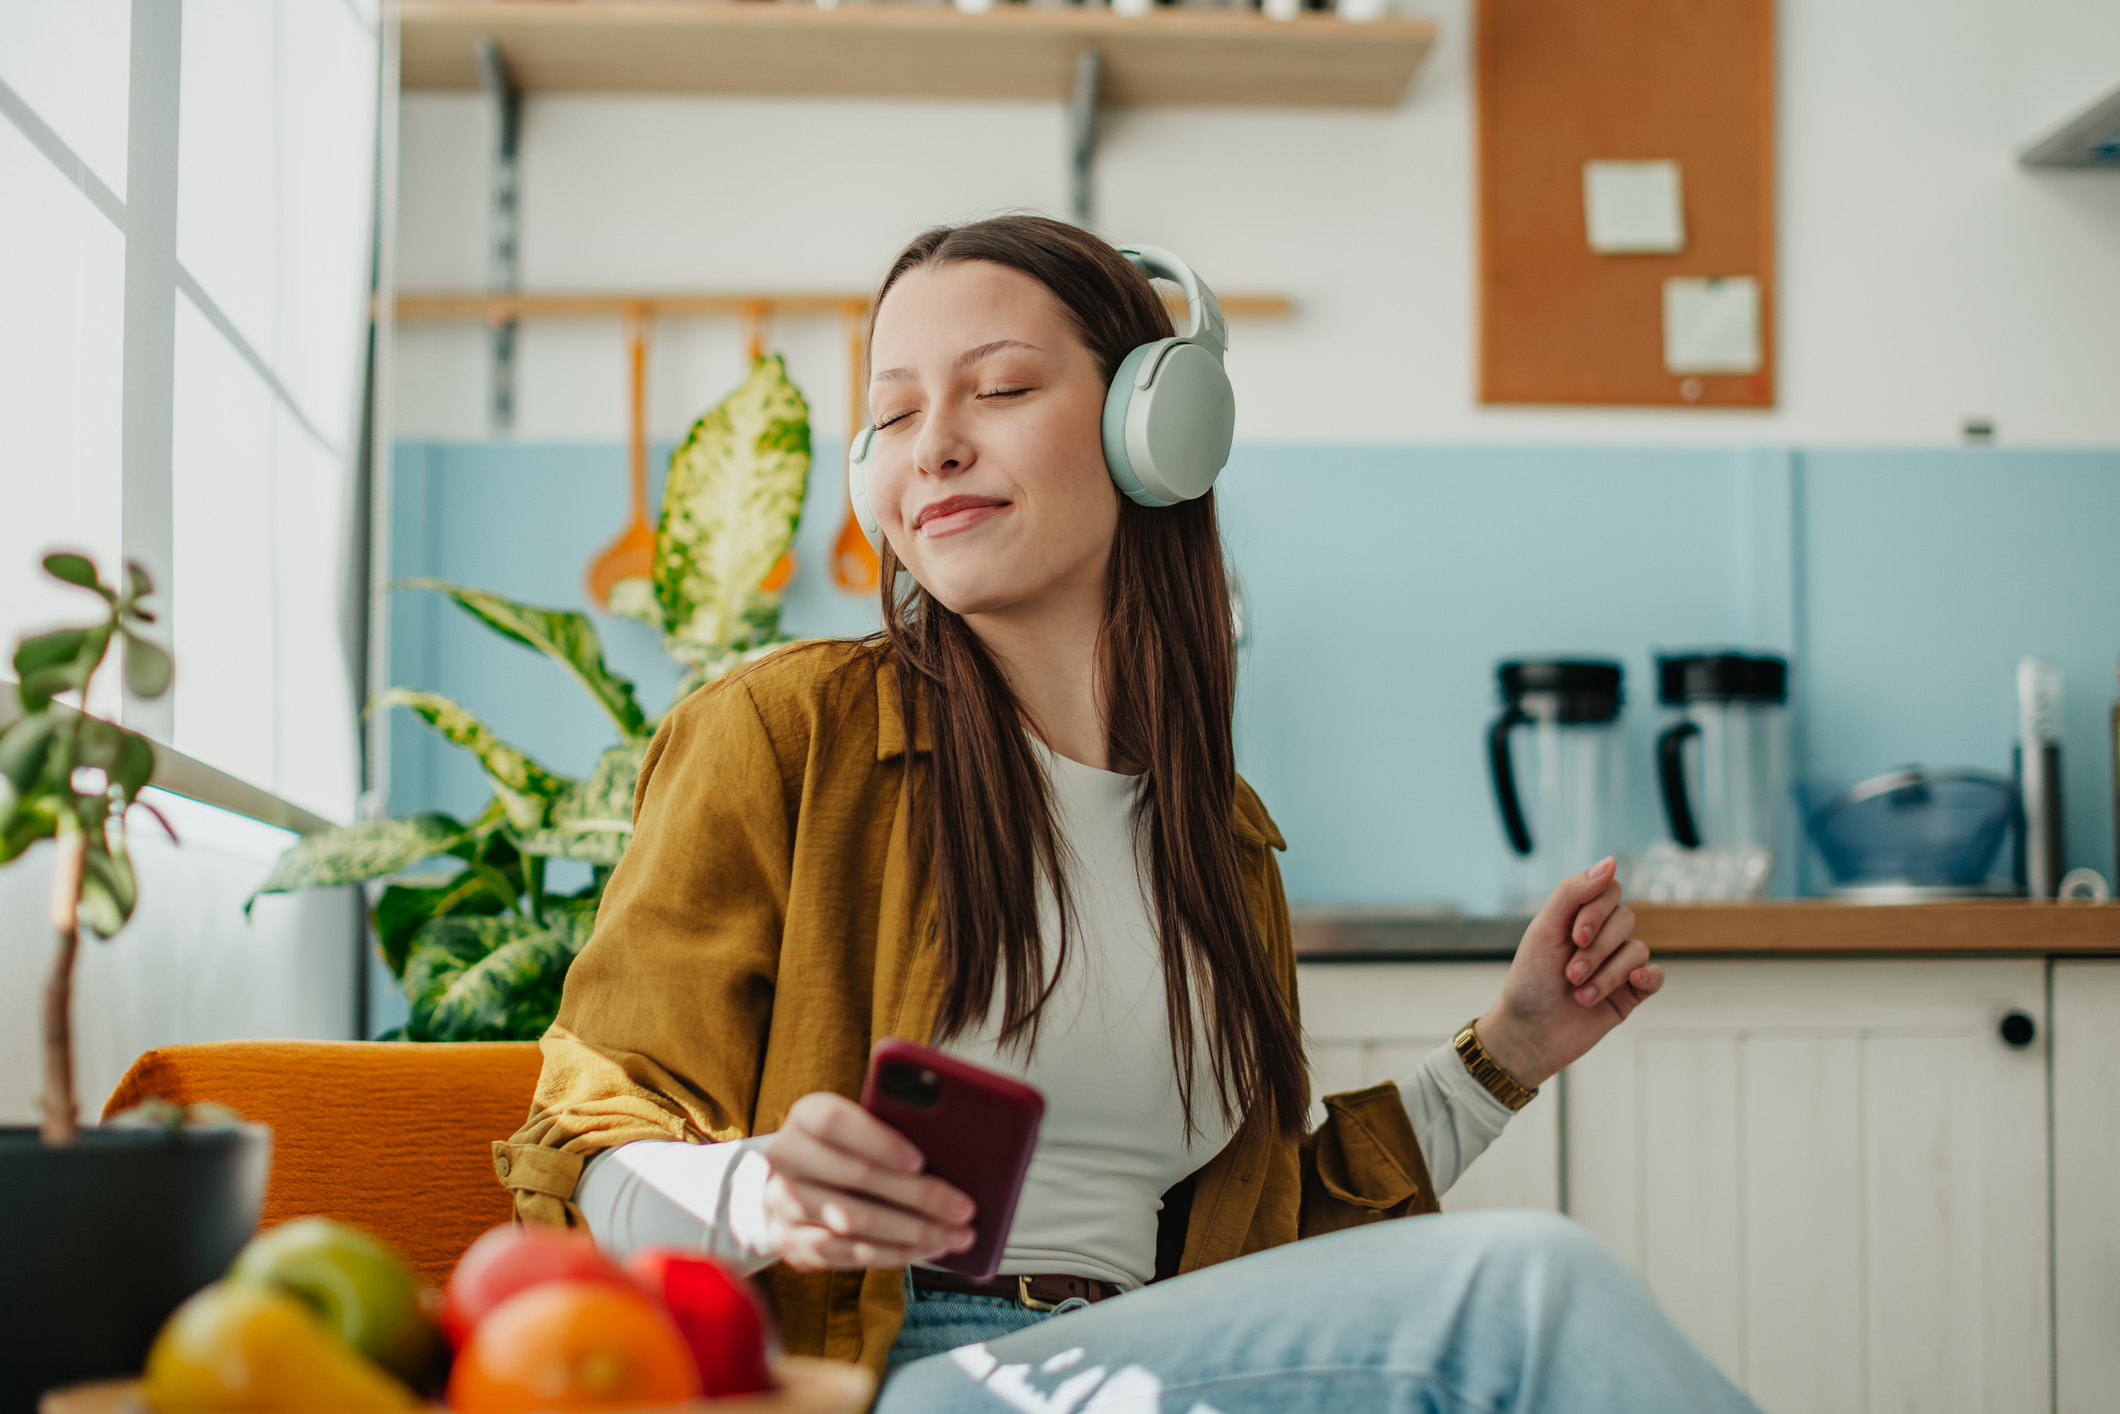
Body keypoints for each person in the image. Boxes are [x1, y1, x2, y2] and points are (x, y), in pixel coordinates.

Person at [496, 215, 1759, 1413]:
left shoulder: (1218, 835)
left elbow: (1272, 1256)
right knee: (1529, 1293)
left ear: (1157, 427)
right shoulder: (782, 732)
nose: (930, 442)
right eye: (890, 412)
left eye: (995, 389)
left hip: (1156, 1353)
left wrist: (1510, 1052)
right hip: (906, 1371)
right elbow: (581, 1155)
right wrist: (756, 1195)